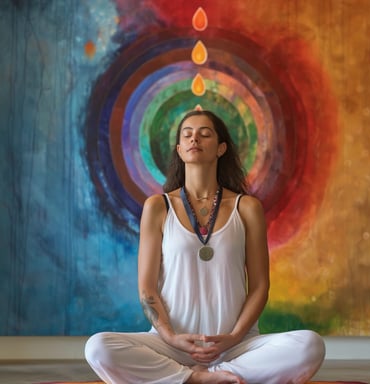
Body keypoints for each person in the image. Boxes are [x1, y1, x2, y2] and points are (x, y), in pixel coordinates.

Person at [85, 110, 326, 383]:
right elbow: (147, 288)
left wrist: (233, 338)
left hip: (235, 347)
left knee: (309, 346)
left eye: (205, 133)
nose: (194, 138)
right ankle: (195, 378)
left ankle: (212, 375)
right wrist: (171, 337)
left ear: (221, 148)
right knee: (98, 348)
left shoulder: (246, 208)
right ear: (179, 149)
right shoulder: (158, 207)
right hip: (171, 346)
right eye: (186, 134)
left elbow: (259, 287)